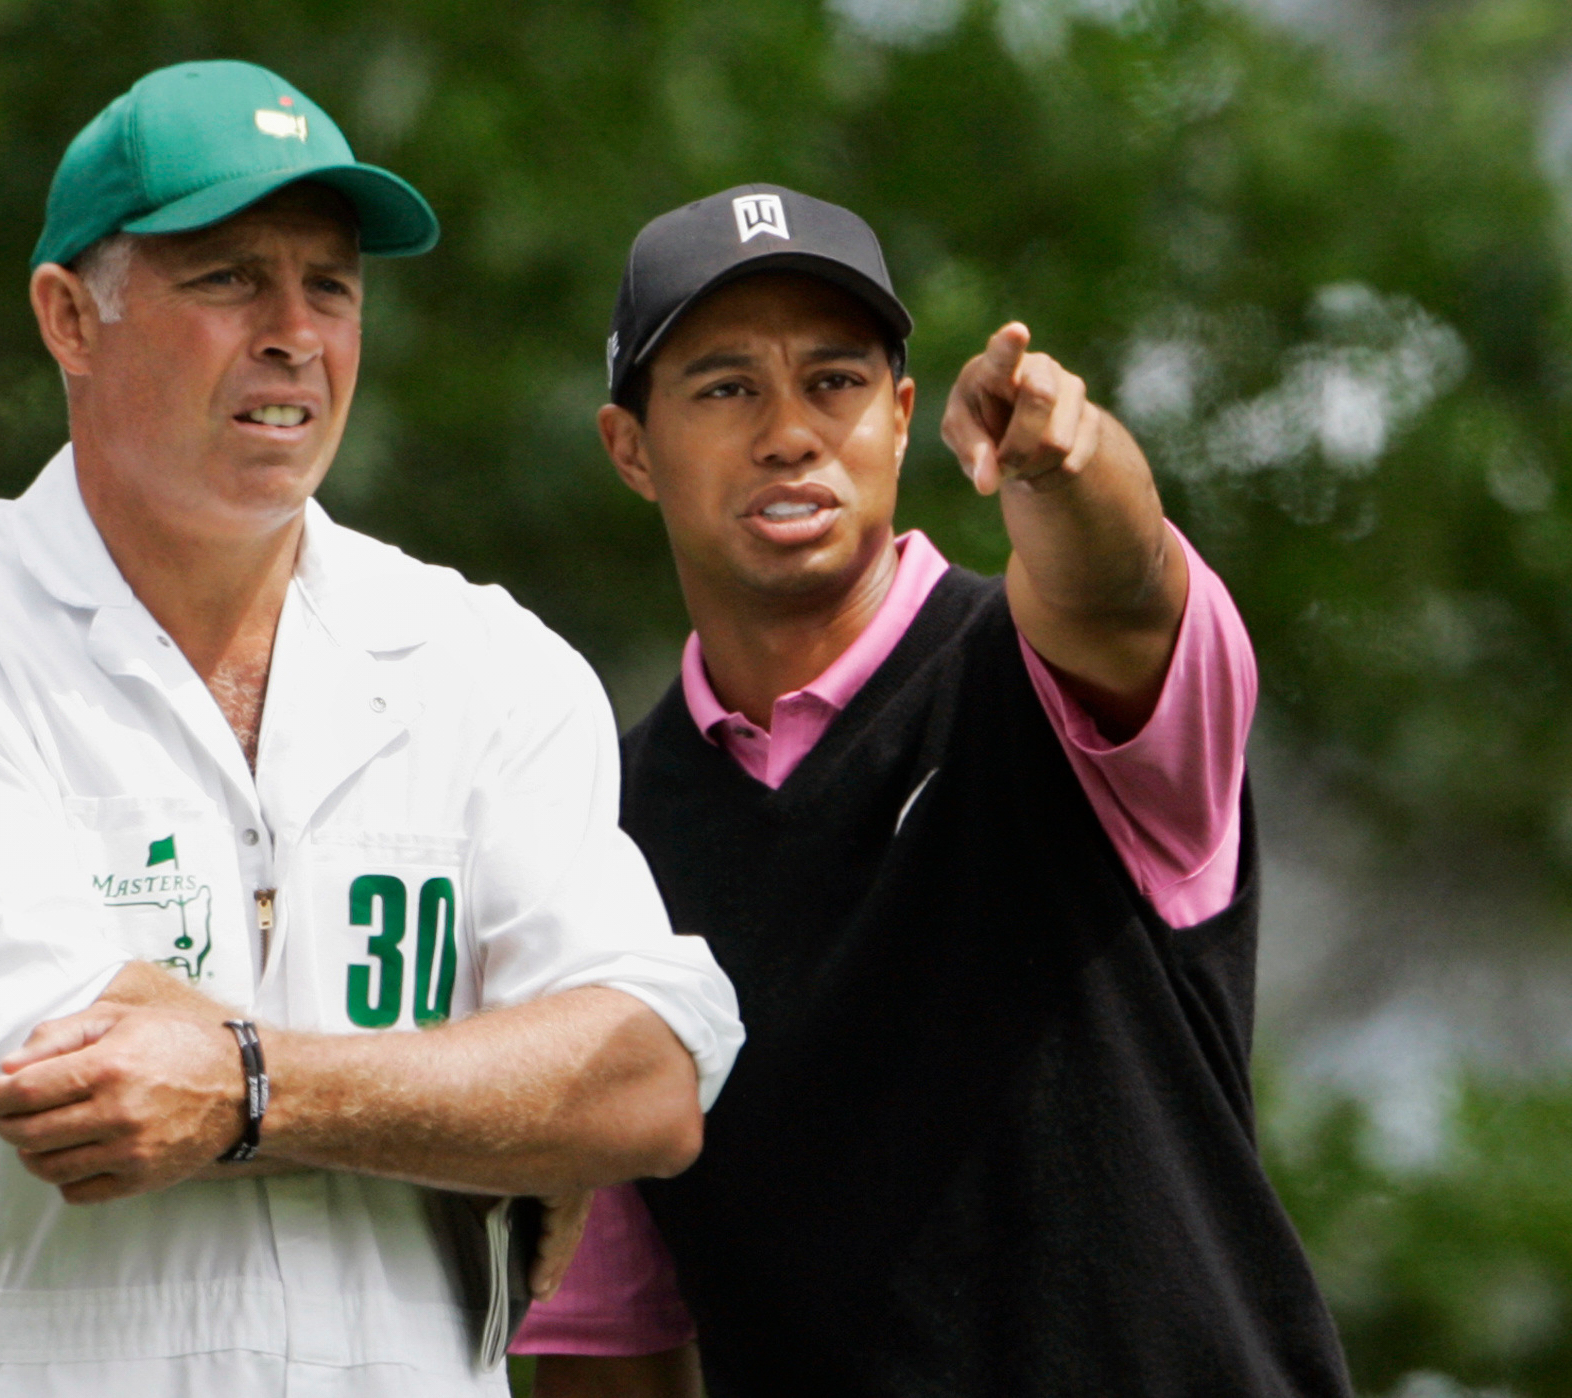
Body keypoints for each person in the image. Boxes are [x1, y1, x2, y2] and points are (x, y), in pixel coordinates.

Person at [0, 62, 743, 1398]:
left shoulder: (488, 661)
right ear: (68, 317)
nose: (294, 332)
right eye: (226, 279)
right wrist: (494, 1110)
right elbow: (81, 1078)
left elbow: (648, 1083)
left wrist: (252, 1084)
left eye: (331, 283)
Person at [514, 186, 1352, 1396]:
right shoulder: (603, 832)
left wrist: (1063, 462)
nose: (789, 431)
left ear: (902, 418)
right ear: (629, 449)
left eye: (835, 381)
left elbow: (1119, 588)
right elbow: (615, 1337)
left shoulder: (1046, 681)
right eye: (724, 387)